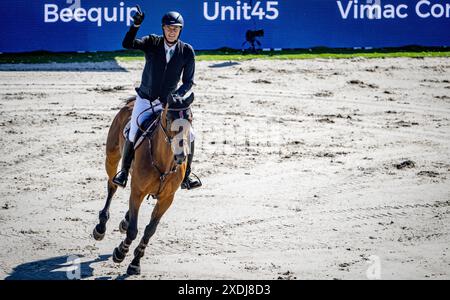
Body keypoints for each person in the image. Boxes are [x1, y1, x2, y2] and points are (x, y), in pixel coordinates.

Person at [112, 6, 201, 190]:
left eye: (175, 28)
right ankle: (123, 172)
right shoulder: (152, 42)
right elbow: (128, 44)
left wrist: (175, 97)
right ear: (163, 28)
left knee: (190, 134)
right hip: (145, 99)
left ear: (180, 30)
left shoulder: (187, 51)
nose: (171, 31)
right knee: (133, 130)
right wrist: (136, 25)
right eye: (168, 28)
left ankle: (187, 175)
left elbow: (188, 82)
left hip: (167, 104)